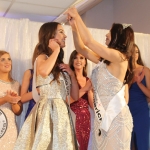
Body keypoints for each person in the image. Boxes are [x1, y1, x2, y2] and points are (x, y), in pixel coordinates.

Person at [65, 7, 134, 149]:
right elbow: (81, 48)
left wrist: (77, 17)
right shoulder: (105, 60)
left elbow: (89, 41)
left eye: (110, 31)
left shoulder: (119, 57)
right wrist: (74, 27)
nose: (107, 34)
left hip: (115, 119)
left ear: (117, 36)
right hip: (101, 118)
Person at [14, 22, 79, 150]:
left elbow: (75, 96)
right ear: (50, 36)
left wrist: (71, 75)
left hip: (62, 112)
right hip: (48, 110)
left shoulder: (60, 63)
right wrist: (56, 50)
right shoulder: (42, 57)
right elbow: (44, 71)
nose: (65, 35)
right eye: (61, 31)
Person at [69, 50, 93, 150]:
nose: (78, 60)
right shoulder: (68, 78)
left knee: (84, 146)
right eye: (75, 57)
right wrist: (84, 89)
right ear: (72, 61)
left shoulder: (88, 80)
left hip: (86, 119)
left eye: (81, 58)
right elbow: (68, 100)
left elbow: (92, 105)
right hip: (73, 116)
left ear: (85, 62)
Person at [128, 44, 150, 150]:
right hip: (126, 111)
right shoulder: (125, 71)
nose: (135, 54)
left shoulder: (145, 70)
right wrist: (130, 82)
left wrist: (139, 84)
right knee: (127, 144)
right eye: (132, 51)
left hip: (141, 111)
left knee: (142, 143)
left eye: (137, 51)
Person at [0, 50, 22, 150]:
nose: (7, 62)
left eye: (9, 59)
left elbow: (18, 112)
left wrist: (13, 102)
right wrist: (5, 99)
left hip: (10, 131)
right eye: (2, 59)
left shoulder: (16, 84)